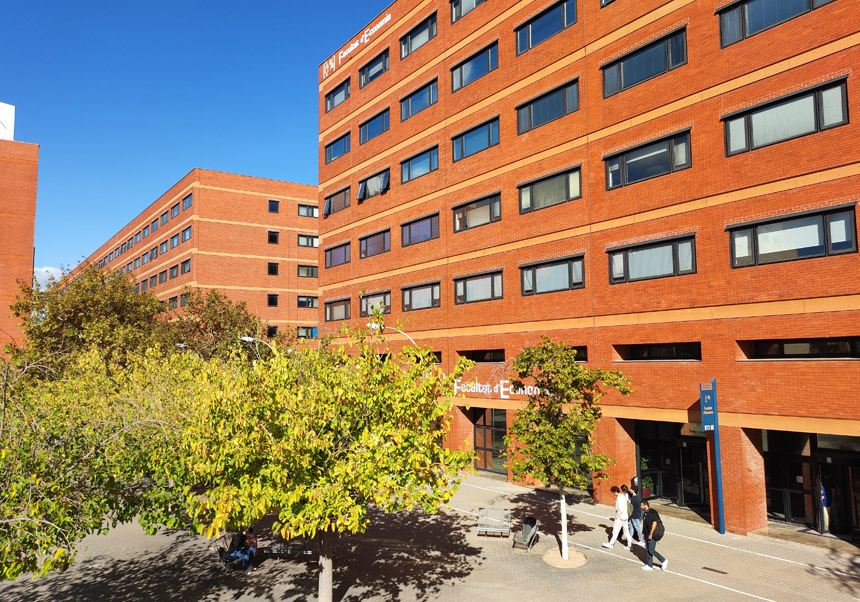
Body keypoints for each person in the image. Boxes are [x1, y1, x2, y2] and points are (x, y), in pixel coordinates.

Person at [641, 500, 668, 571]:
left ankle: (663, 560)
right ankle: (649, 565)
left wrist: (651, 534)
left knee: (651, 550)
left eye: (641, 505)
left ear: (645, 505)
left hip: (652, 534)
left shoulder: (652, 513)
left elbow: (654, 524)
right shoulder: (645, 513)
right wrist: (643, 533)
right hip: (647, 534)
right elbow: (644, 524)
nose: (641, 507)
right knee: (648, 549)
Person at [602, 485, 632, 550]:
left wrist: (616, 516)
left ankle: (611, 544)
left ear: (615, 492)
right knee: (626, 532)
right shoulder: (623, 497)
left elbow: (620, 509)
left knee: (615, 531)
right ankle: (630, 545)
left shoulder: (619, 498)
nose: (613, 494)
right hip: (625, 517)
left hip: (620, 518)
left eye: (613, 493)